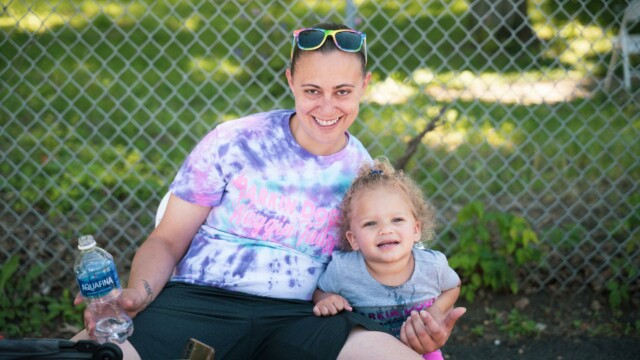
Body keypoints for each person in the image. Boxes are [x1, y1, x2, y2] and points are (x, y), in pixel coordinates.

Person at [72, 22, 465, 359]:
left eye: (342, 92)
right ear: (290, 80)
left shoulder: (364, 176)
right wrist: (137, 296)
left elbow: (382, 263)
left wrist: (418, 327)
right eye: (312, 90)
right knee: (94, 352)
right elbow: (168, 239)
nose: (327, 107)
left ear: (365, 85)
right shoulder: (236, 140)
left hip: (305, 315)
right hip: (202, 303)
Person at [312, 158, 461, 360]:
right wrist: (326, 299)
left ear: (416, 230)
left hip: (424, 350)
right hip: (367, 353)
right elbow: (321, 291)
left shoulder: (432, 266)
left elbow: (453, 286)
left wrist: (437, 310)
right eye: (371, 223)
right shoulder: (344, 269)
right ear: (353, 239)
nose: (386, 230)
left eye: (397, 220)